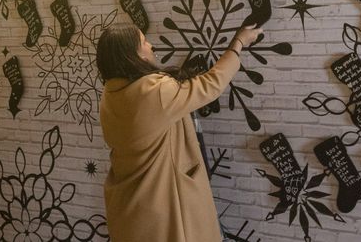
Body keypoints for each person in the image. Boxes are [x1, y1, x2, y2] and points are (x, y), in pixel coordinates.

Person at [97, 21, 264, 242]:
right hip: (164, 207)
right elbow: (211, 84)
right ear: (133, 55)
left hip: (131, 210)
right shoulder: (154, 92)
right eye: (144, 42)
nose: (151, 46)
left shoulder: (109, 96)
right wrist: (239, 42)